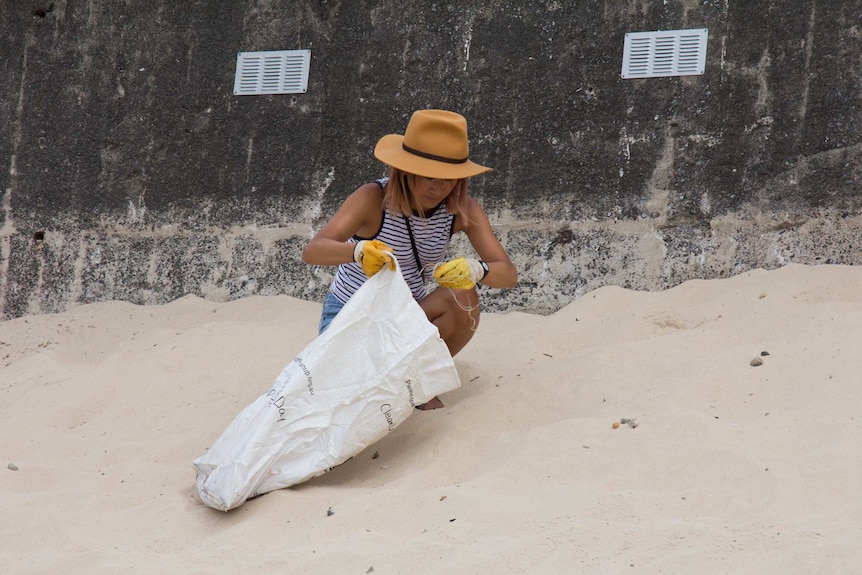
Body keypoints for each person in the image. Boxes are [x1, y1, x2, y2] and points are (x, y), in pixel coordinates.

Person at [302, 109, 518, 410]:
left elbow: (508, 273)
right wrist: (357, 252)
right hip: (353, 314)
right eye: (429, 176)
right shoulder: (373, 198)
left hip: (405, 315)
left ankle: (414, 381)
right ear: (406, 170)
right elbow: (313, 250)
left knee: (462, 296)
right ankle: (400, 382)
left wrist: (476, 269)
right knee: (348, 397)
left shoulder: (460, 208)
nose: (439, 188)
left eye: (449, 179)